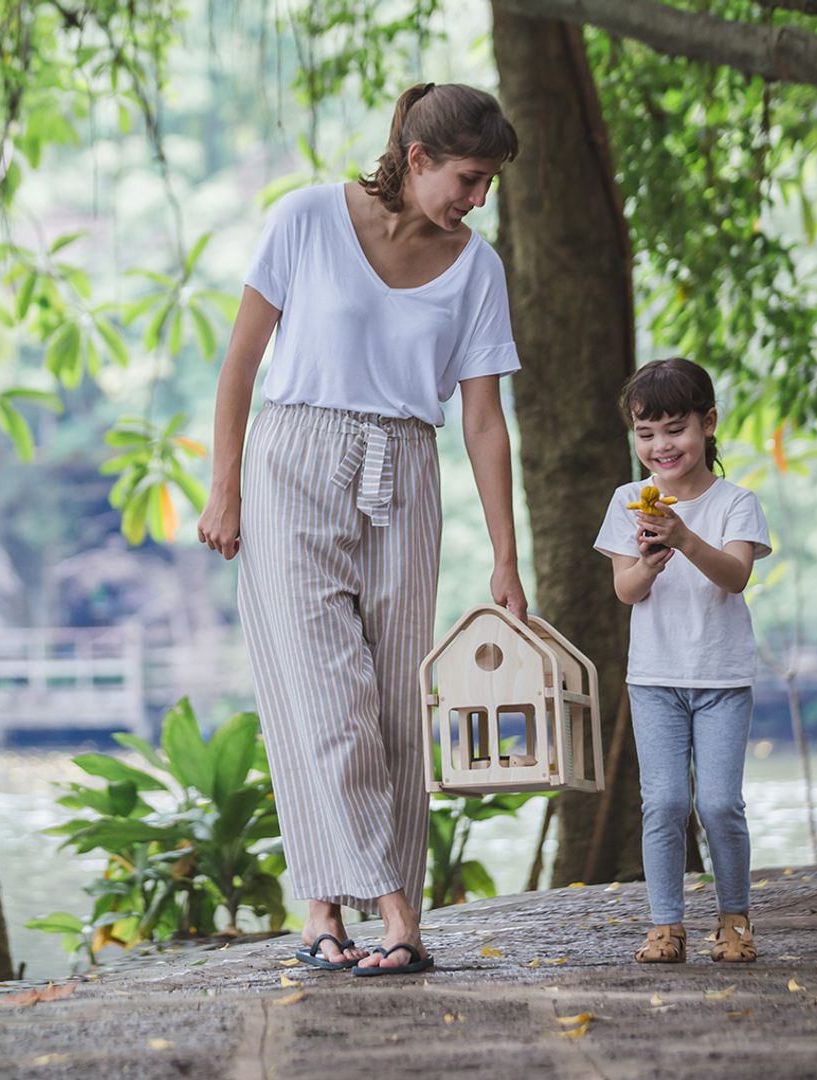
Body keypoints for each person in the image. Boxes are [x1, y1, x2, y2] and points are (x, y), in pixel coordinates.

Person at [196, 82, 527, 975]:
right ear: (417, 160)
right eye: (467, 178)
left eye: (488, 183)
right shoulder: (304, 219)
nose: (477, 198)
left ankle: (321, 917)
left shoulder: (478, 268)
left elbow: (485, 421)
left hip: (407, 475)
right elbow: (241, 362)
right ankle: (397, 916)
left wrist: (506, 554)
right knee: (329, 698)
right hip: (293, 461)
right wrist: (222, 488)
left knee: (386, 713)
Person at [593, 357, 771, 964]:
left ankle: (734, 920)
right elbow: (626, 590)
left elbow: (736, 575)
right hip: (654, 680)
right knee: (664, 802)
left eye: (675, 429)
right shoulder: (627, 501)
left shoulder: (735, 503)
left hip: (721, 678)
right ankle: (666, 925)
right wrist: (648, 561)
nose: (661, 445)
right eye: (646, 433)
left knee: (720, 803)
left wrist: (684, 537)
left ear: (708, 423)